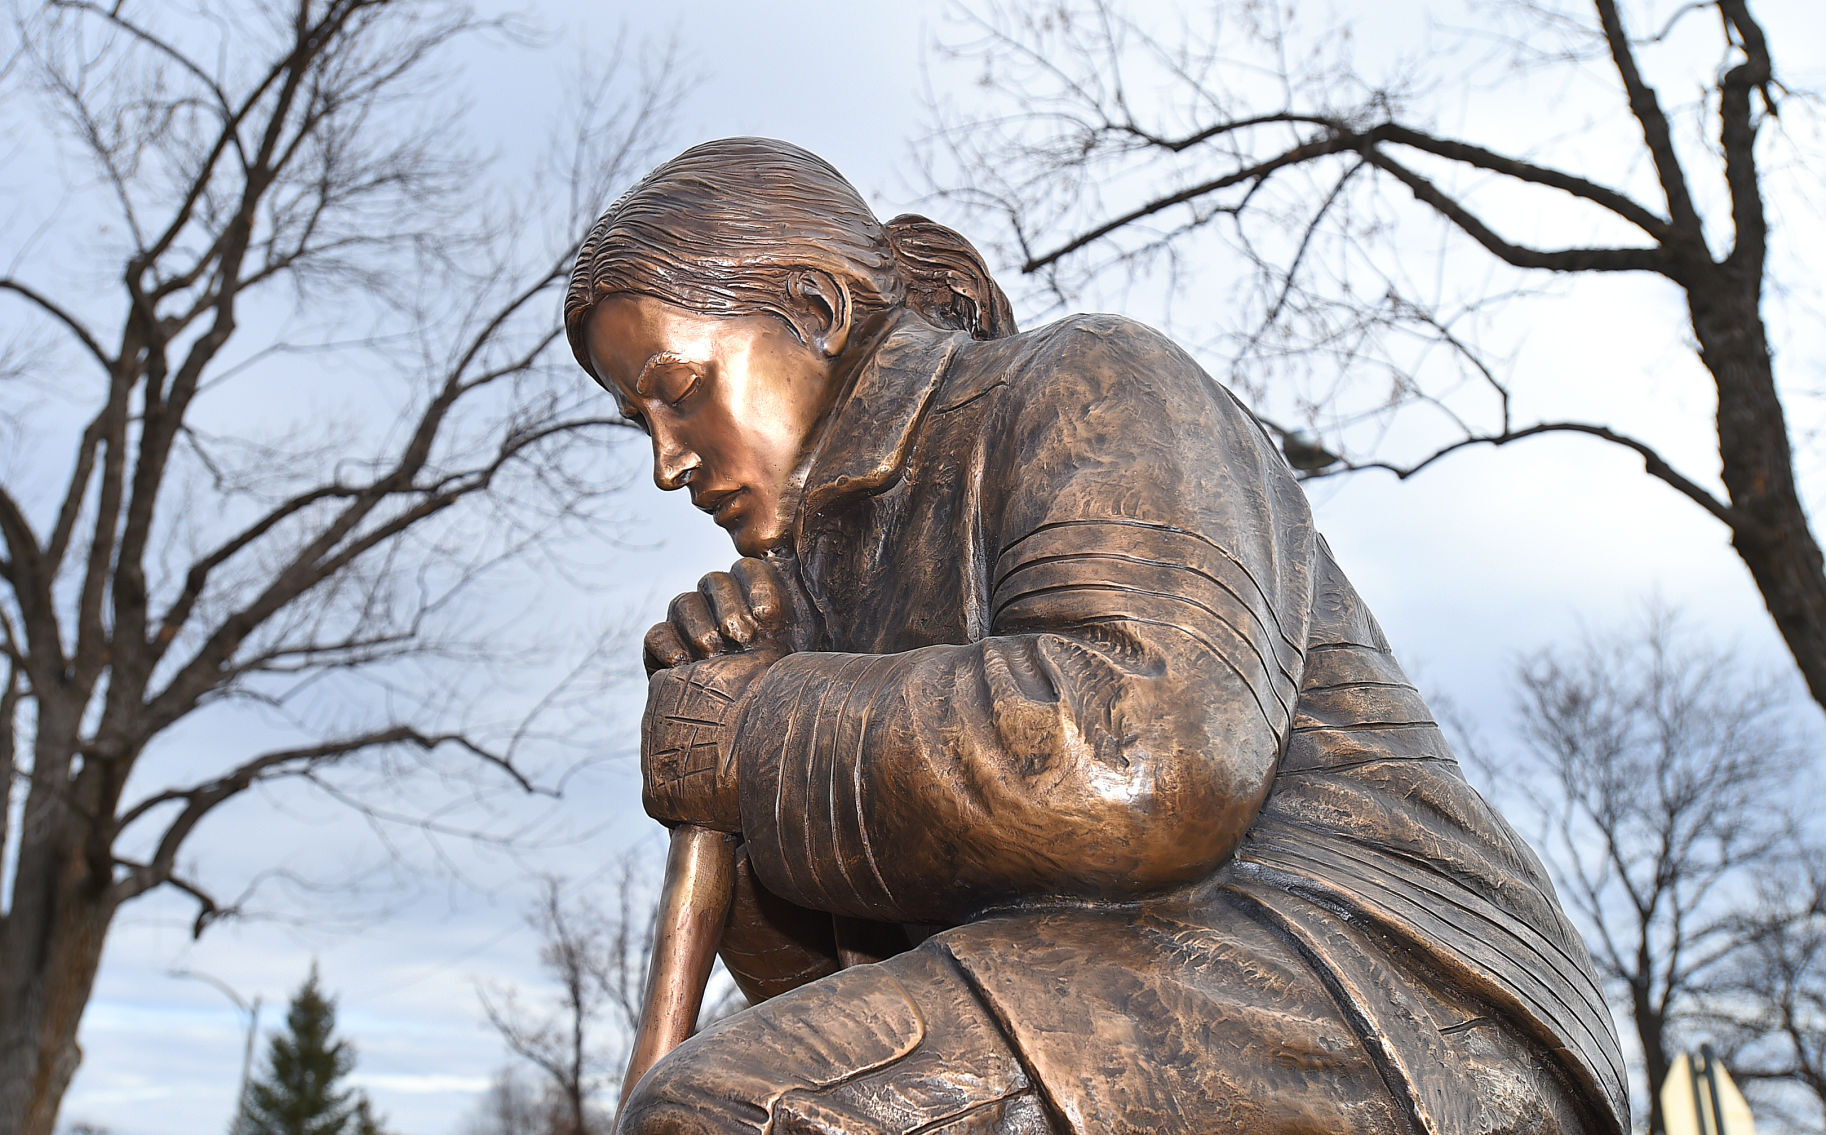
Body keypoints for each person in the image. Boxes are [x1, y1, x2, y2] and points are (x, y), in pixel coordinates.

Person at [565, 137, 1628, 1135]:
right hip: (1120, 967)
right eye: (640, 421)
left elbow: (1141, 758)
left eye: (679, 391)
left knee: (734, 1112)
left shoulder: (1086, 382)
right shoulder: (823, 583)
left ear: (815, 310)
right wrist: (744, 759)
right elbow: (835, 995)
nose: (667, 461)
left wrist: (759, 731)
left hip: (1372, 970)